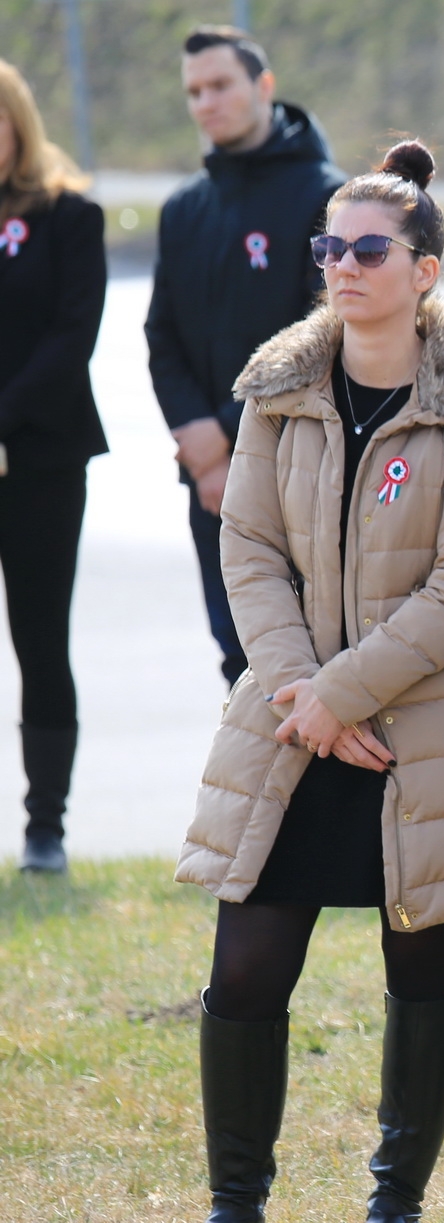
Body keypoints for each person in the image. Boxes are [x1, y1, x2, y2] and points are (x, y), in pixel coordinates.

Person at [174, 141, 444, 1223]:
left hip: (423, 729)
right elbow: (249, 549)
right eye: (329, 247)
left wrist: (347, 694)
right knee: (246, 967)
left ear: (424, 269)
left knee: (421, 969)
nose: (342, 265)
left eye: (369, 250)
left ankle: (396, 1201)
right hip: (293, 722)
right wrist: (308, 695)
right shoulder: (277, 388)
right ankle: (236, 1202)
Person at [147, 25, 346, 685]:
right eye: (194, 92)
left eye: (220, 85)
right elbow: (161, 335)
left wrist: (229, 435)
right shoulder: (184, 208)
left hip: (301, 465)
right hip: (209, 478)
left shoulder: (326, 197)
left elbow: (326, 334)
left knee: (313, 656)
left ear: (264, 86)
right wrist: (198, 442)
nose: (206, 102)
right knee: (238, 656)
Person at [0, 60, 107, 874]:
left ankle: (46, 825)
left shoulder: (71, 215)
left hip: (41, 459)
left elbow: (73, 336)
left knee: (41, 639)